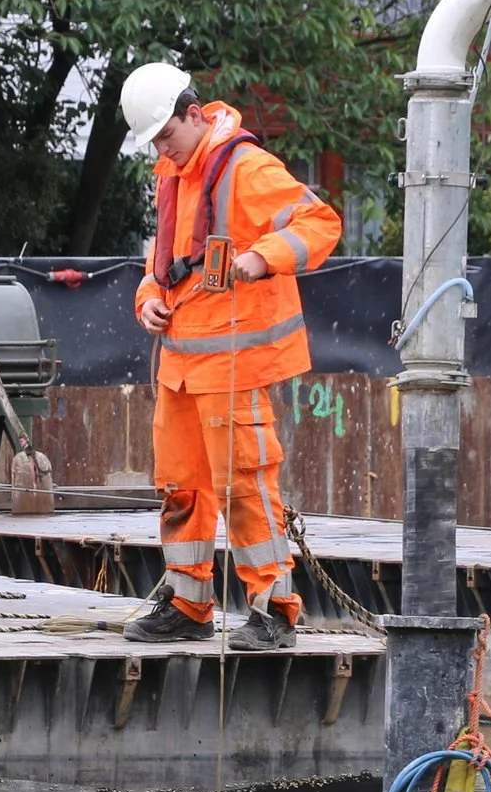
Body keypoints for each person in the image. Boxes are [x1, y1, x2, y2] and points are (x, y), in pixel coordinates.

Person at [119, 63, 343, 651]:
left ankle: (274, 610)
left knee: (244, 486)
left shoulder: (246, 168)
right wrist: (147, 301)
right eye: (155, 142)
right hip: (181, 368)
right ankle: (188, 604)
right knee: (181, 487)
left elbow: (319, 221)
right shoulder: (174, 174)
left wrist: (264, 256)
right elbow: (161, 263)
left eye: (167, 135)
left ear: (195, 115)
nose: (162, 149)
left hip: (232, 364)